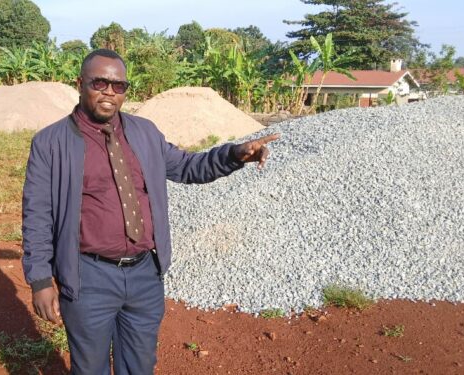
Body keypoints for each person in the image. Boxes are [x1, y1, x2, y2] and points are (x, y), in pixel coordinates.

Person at [22, 49, 279, 375]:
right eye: (100, 83)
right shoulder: (51, 143)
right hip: (89, 277)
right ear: (80, 84)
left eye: (119, 86)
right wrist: (41, 280)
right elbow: (37, 214)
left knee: (140, 367)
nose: (109, 94)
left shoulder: (144, 133)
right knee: (89, 369)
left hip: (145, 275)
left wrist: (234, 154)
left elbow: (189, 167)